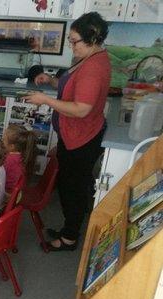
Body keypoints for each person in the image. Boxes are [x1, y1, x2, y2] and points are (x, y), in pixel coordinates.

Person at [23, 12, 110, 251]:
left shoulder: (93, 67)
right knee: (71, 184)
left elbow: (82, 109)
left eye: (74, 41)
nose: (71, 46)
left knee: (72, 188)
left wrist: (45, 100)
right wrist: (51, 81)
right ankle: (68, 229)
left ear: (92, 39)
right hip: (75, 136)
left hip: (81, 139)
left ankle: (69, 238)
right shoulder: (91, 57)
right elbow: (74, 88)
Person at [3, 125, 36, 194]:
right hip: (17, 193)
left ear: (12, 146)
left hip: (8, 193)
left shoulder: (10, 159)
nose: (2, 141)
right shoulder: (23, 156)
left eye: (3, 139)